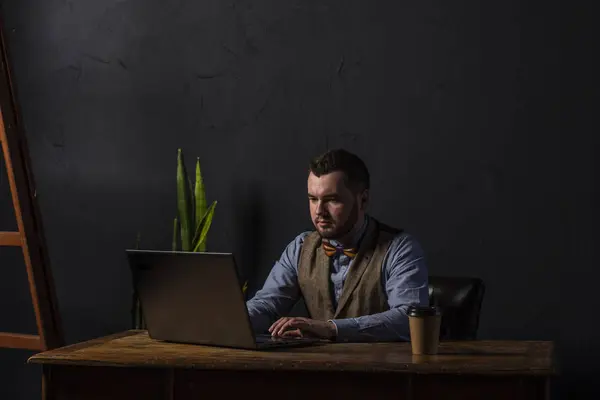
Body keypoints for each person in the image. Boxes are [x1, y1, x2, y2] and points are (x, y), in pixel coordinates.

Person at [246, 149, 429, 342]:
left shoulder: (400, 248)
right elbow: (266, 305)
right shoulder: (300, 247)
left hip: (380, 368)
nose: (319, 211)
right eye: (313, 199)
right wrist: (230, 322)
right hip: (318, 368)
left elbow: (409, 319)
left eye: (332, 200)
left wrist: (331, 328)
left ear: (363, 200)